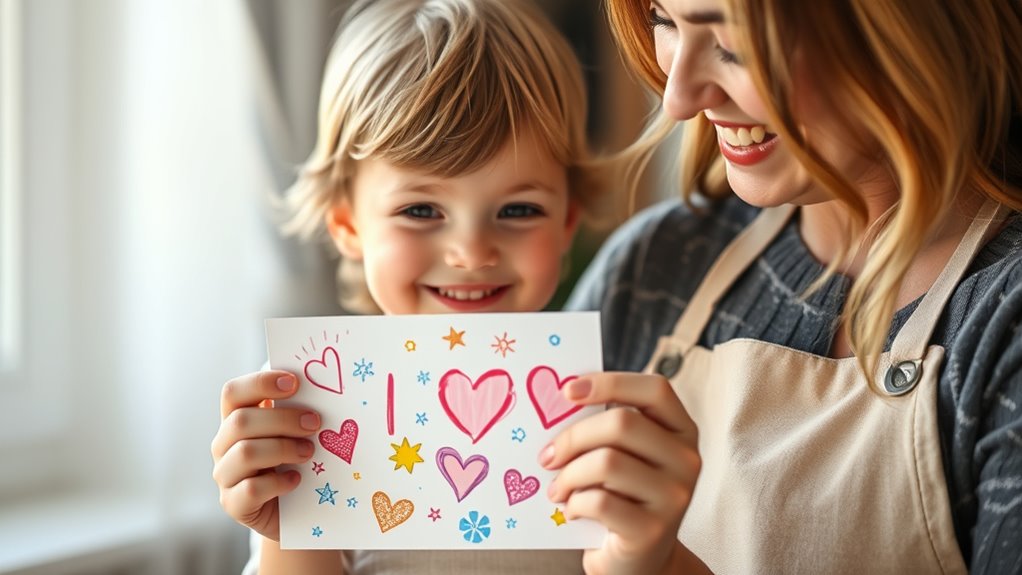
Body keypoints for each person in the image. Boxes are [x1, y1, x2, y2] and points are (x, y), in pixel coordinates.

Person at [212, 0, 699, 573]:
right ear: (346, 223)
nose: (471, 253)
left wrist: (652, 555)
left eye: (518, 209)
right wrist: (291, 533)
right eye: (421, 209)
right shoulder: (319, 426)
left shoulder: (608, 429)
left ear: (568, 220)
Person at [560, 0, 1022, 573]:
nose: (678, 98)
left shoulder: (1005, 324)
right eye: (664, 20)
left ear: (907, 34)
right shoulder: (659, 263)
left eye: (738, 45)